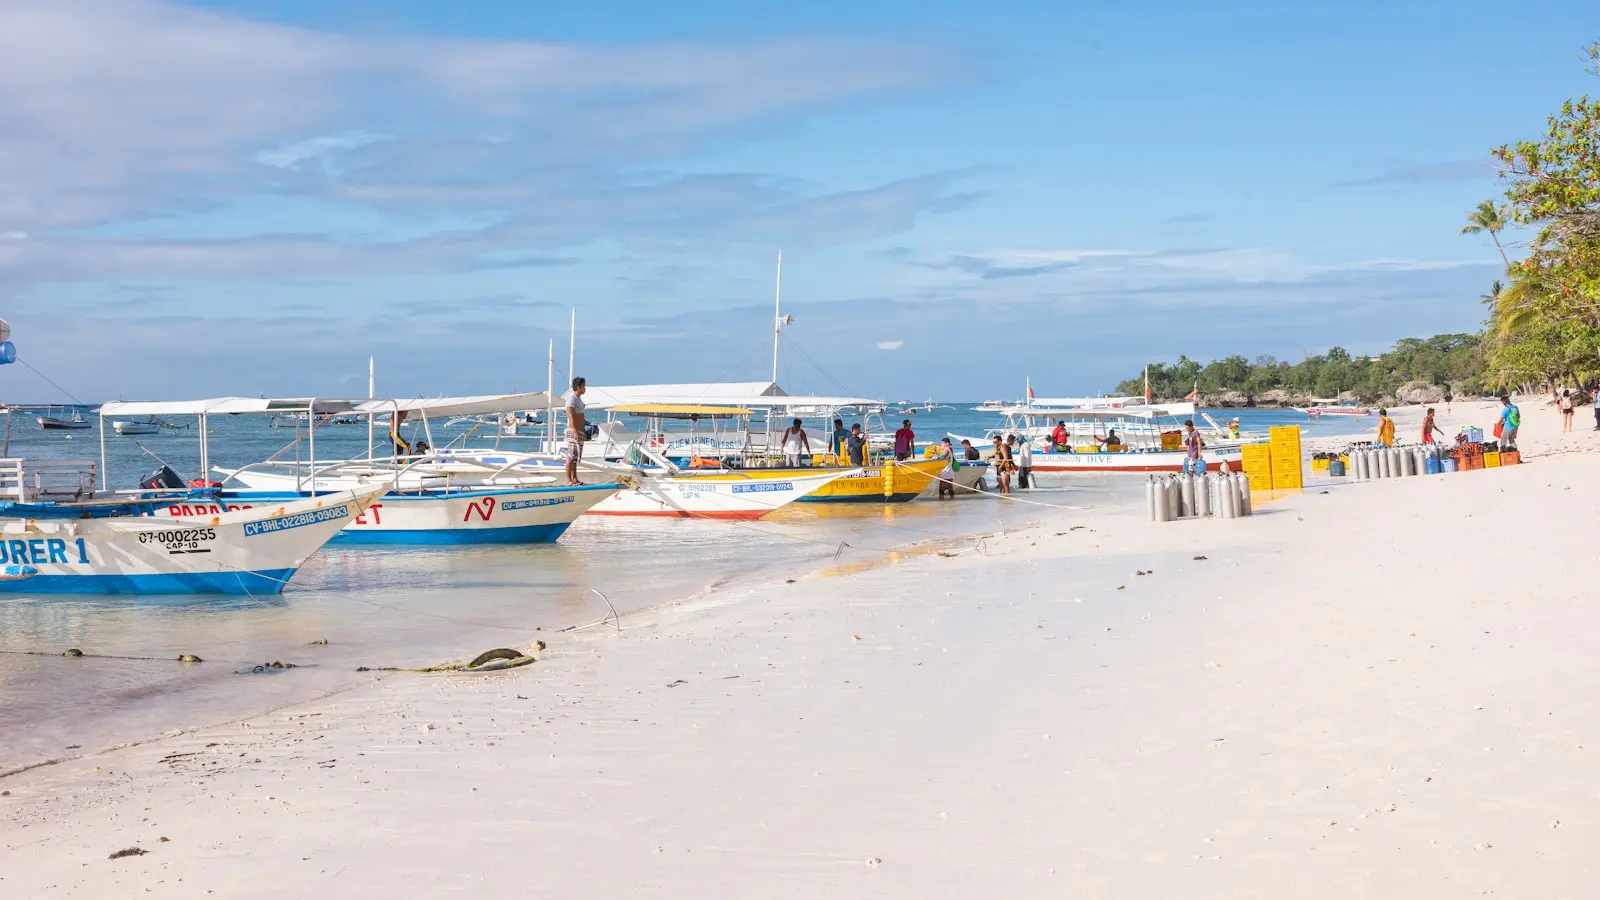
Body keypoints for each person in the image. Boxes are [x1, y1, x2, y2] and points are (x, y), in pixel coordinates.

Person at [562, 376, 588, 486]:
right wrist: (575, 431)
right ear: (578, 387)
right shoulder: (571, 399)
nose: (585, 388)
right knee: (571, 456)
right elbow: (571, 416)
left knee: (575, 457)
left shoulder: (578, 399)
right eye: (583, 386)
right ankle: (568, 479)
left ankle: (574, 478)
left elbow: (580, 415)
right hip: (574, 430)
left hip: (580, 429)